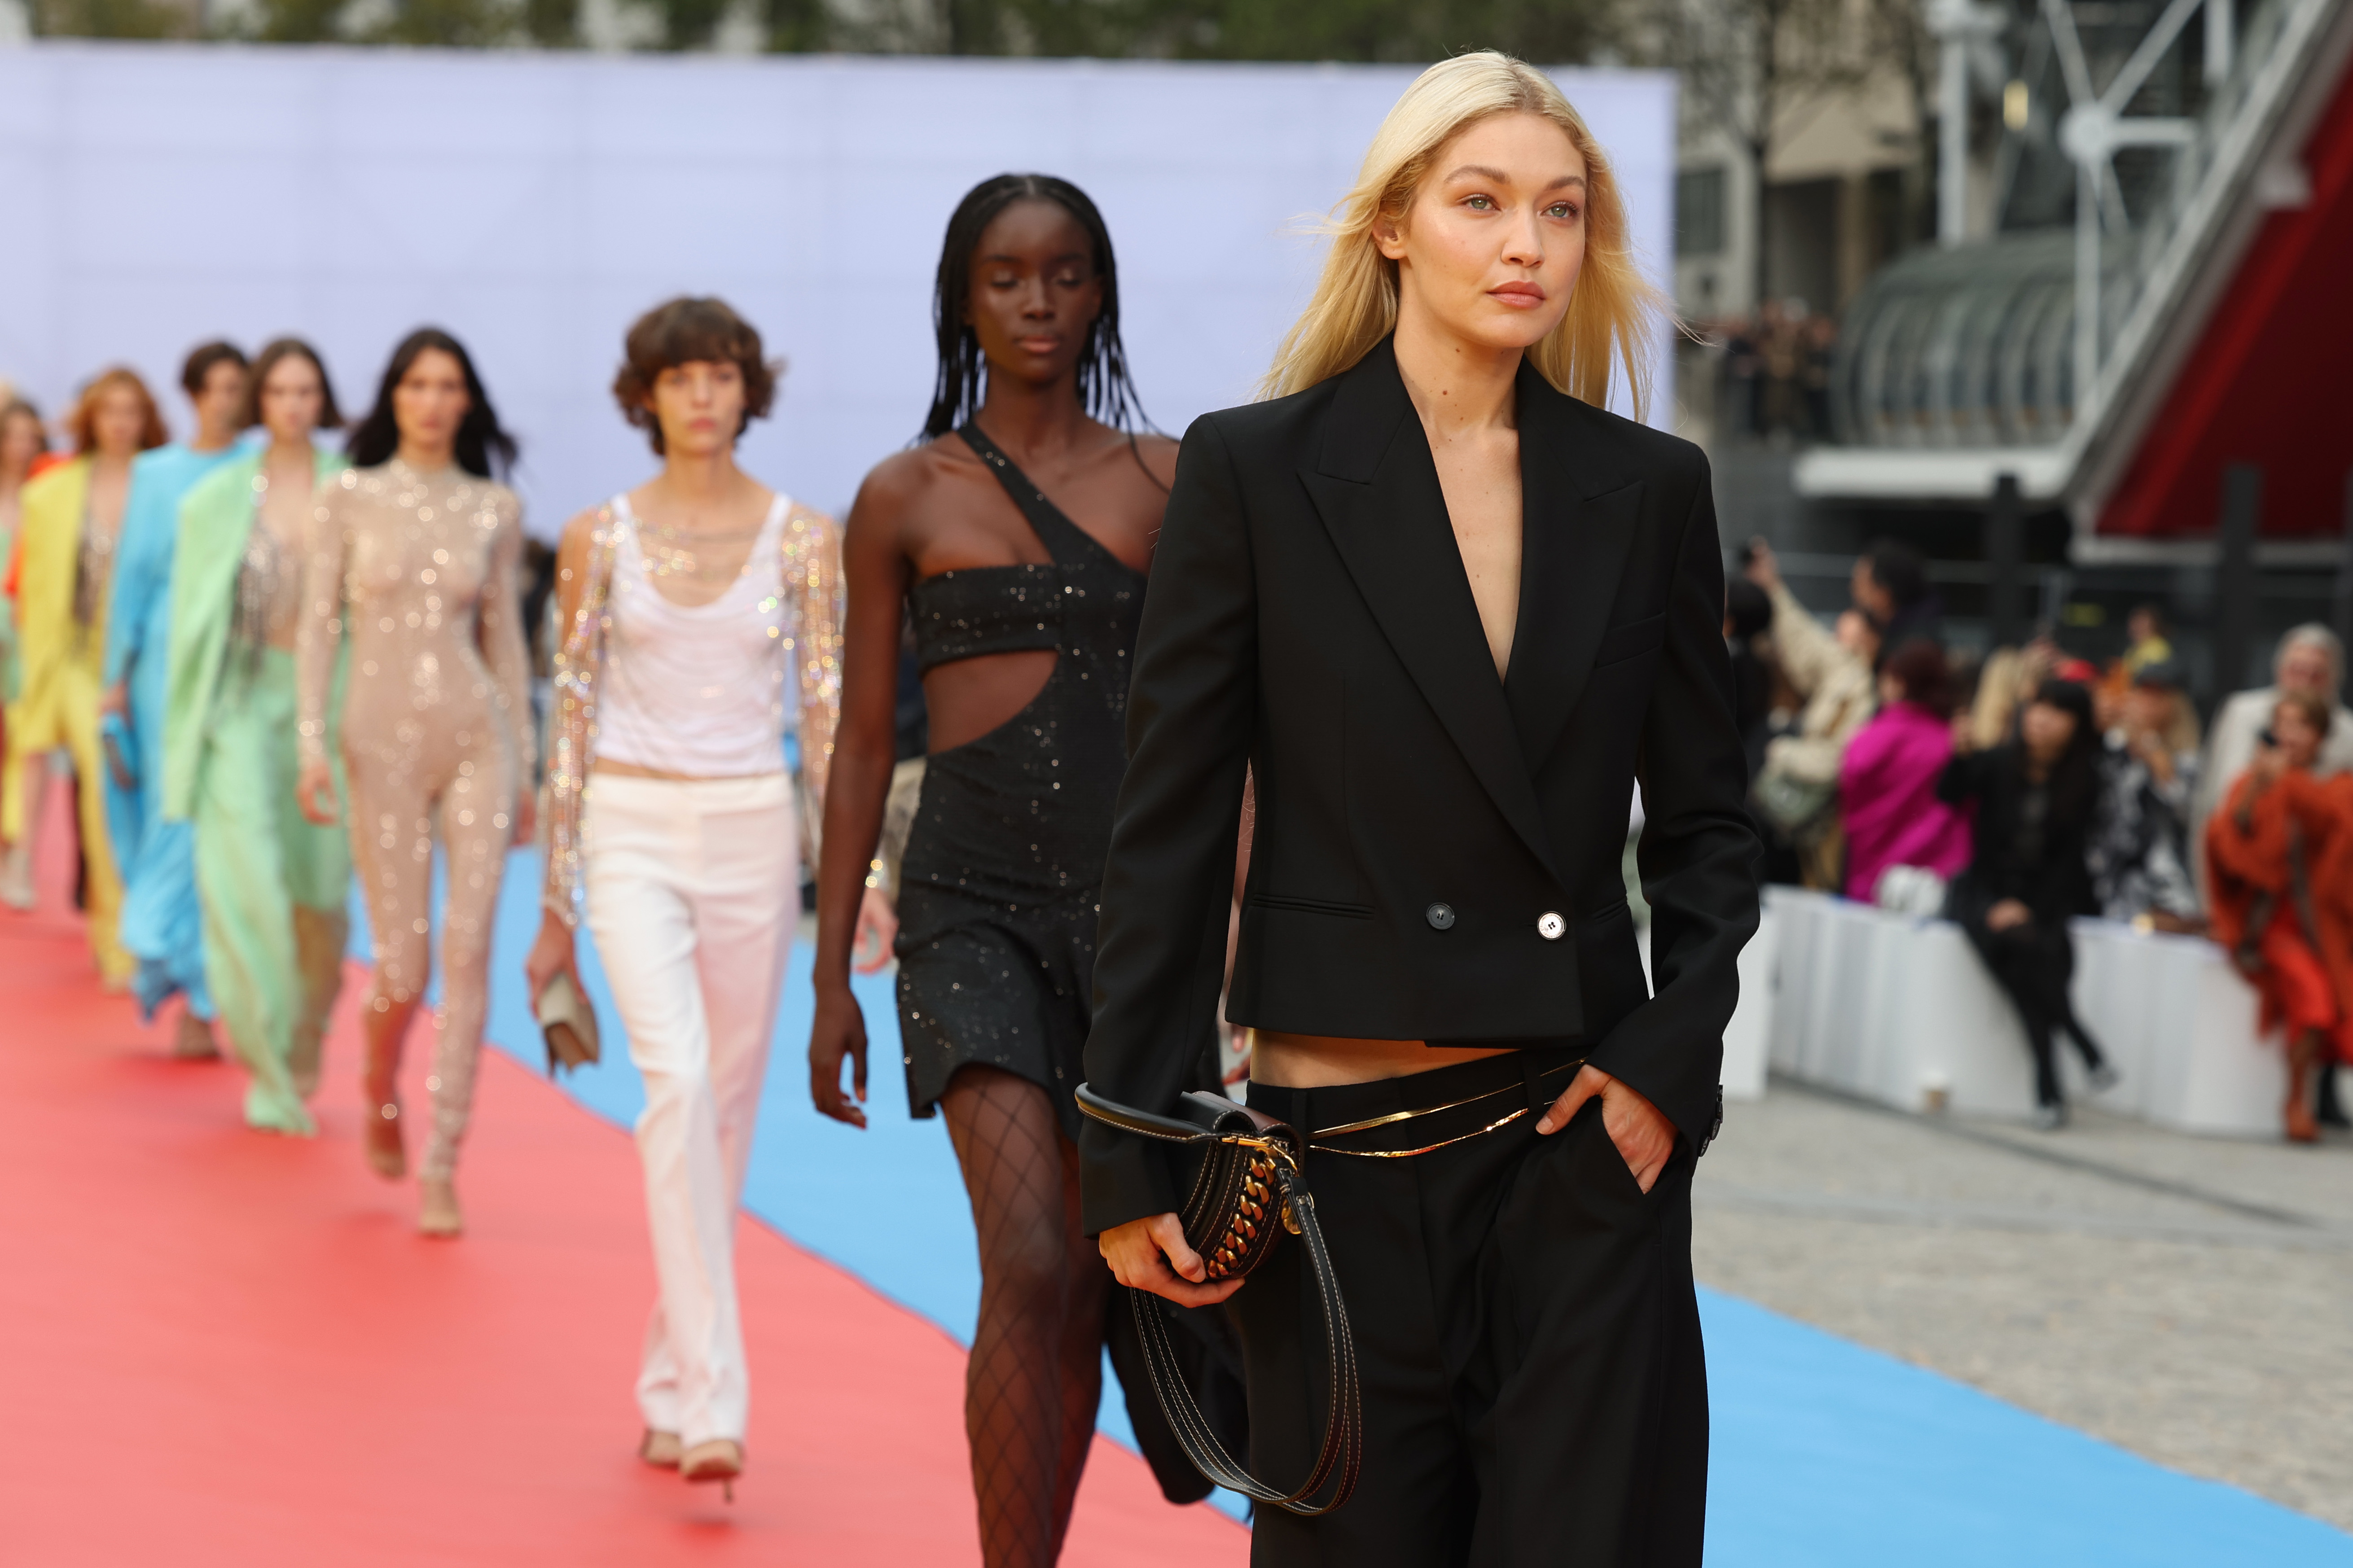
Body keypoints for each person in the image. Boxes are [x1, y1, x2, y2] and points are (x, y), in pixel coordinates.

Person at [1083, 54, 1756, 1565]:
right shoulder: (1255, 473)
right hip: (1335, 1168)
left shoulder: (1648, 490)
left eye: (1561, 211)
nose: (1527, 243)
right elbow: (1170, 829)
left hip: (1581, 1151)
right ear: (1393, 226)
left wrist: (1666, 1065)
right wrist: (1128, 1145)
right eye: (1482, 202)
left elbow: (1711, 829)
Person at [807, 175, 1177, 1566]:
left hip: (1142, 924)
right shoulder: (905, 493)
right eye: (1008, 277)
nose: (1038, 302)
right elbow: (858, 746)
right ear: (963, 298)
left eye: (1067, 274)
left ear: (1102, 292)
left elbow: (1234, 725)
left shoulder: (1170, 479)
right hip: (966, 914)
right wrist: (829, 973)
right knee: (1032, 1255)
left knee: (1106, 1271)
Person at [523, 298, 865, 1494]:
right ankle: (715, 1392)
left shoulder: (804, 538)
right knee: (670, 1084)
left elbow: (825, 719)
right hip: (624, 823)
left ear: (747, 389)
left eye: (722, 374)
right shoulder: (594, 537)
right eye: (681, 377)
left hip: (752, 832)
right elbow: (563, 720)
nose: (703, 395)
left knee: (721, 1111)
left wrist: (857, 874)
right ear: (647, 395)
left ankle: (670, 1376)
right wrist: (555, 899)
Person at [296, 328, 534, 1237]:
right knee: (405, 962)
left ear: (467, 401)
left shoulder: (493, 508)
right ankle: (376, 1075)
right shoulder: (348, 498)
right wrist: (311, 745)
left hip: (476, 736)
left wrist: (529, 765)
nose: (433, 400)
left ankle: (445, 1160)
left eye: (449, 385)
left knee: (470, 947)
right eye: (417, 384)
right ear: (392, 397)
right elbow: (319, 630)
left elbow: (505, 646)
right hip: (376, 744)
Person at [165, 339, 352, 1135]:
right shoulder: (212, 500)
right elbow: (189, 624)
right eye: (278, 389)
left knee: (322, 901)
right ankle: (267, 1068)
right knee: (249, 893)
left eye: (307, 389)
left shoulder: (357, 490)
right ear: (259, 401)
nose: (292, 403)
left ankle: (303, 1031)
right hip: (241, 704)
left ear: (325, 398)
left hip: (334, 712)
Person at [102, 341, 250, 1055]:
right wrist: (114, 680)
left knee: (224, 827)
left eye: (237, 387)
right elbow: (131, 575)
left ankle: (196, 986)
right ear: (192, 394)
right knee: (174, 809)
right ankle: (171, 960)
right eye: (216, 387)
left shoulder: (259, 474)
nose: (228, 399)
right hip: (166, 658)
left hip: (242, 661)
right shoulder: (157, 475)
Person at [1, 368, 169, 980]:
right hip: (76, 662)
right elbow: (33, 585)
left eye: (133, 409)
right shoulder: (55, 492)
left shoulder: (167, 486)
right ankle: (116, 941)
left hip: (148, 662)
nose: (121, 422)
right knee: (101, 793)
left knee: (154, 799)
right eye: (110, 410)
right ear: (91, 418)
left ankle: (157, 928)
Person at [1940, 679, 2114, 1127]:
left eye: (2057, 711)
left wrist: (2027, 908)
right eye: (2037, 706)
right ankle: (2081, 1044)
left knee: (2024, 962)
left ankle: (2050, 1092)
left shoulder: (2086, 779)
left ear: (2077, 725)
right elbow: (1948, 794)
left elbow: (2068, 863)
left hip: (2041, 902)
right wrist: (1958, 754)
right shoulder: (1998, 761)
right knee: (2025, 952)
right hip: (1980, 893)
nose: (2041, 717)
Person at [2204, 691, 2353, 1143]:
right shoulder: (2252, 781)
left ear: (2321, 736)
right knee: (2315, 999)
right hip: (2272, 925)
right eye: (2282, 723)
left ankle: (2318, 1098)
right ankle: (2295, 1102)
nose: (2289, 734)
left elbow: (2332, 828)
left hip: (2324, 927)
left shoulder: (2335, 785)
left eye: (2301, 725)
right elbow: (2238, 856)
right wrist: (2255, 794)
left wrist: (2285, 782)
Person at [1743, 538, 1874, 889]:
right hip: (1799, 815)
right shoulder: (1845, 674)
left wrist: (1781, 753)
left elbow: (1838, 759)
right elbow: (1805, 642)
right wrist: (1772, 587)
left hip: (1824, 823)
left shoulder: (1862, 686)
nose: (1836, 639)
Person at [1839, 638, 1971, 905]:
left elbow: (1849, 795)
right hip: (1934, 879)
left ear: (1898, 683)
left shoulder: (1869, 738)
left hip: (1869, 876)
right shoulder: (1953, 742)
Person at [2089, 660, 2201, 930]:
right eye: (2143, 693)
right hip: (2108, 880)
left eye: (2160, 695)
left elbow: (2182, 807)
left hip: (2165, 887)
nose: (2148, 702)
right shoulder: (2113, 745)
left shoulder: (2189, 758)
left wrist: (2150, 744)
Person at [0, 397, 47, 906]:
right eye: (13, 435)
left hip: (31, 638)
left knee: (29, 745)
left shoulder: (49, 496)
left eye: (31, 437)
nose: (21, 447)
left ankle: (21, 855)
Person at [1852, 536, 1936, 665]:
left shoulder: (1912, 652)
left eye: (1861, 583)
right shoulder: (1885, 633)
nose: (1853, 590)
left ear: (1884, 595)